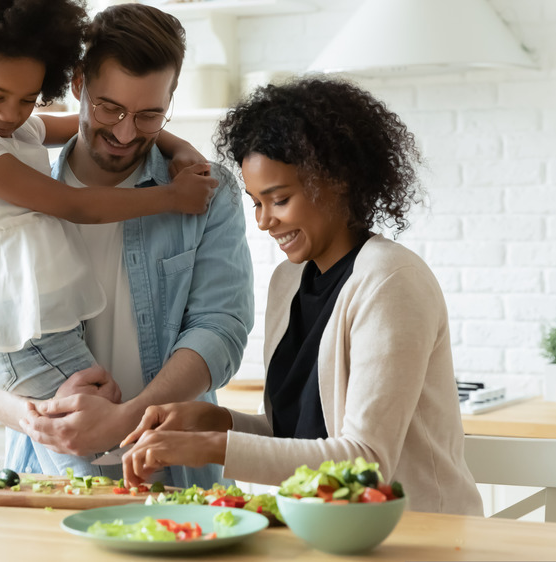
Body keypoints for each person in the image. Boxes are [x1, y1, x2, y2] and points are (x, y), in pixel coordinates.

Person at [118, 76, 484, 515]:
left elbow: (364, 461)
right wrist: (211, 421)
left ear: (339, 181)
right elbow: (296, 434)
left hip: (418, 536)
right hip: (324, 533)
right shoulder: (288, 282)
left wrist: (214, 448)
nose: (264, 221)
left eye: (279, 199)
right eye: (256, 202)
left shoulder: (390, 281)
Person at [0, 0, 220, 477]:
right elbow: (73, 205)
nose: (11, 114)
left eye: (26, 99)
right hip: (28, 334)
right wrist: (171, 198)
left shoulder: (15, 132)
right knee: (89, 470)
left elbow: (219, 329)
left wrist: (178, 146)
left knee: (96, 462)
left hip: (51, 329)